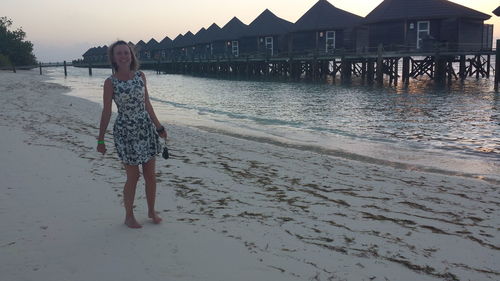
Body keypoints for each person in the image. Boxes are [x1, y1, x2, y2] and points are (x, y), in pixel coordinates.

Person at [97, 40, 167, 229]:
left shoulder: (141, 76)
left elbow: (147, 104)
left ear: (131, 55)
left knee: (150, 175)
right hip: (125, 132)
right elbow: (106, 111)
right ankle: (129, 216)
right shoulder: (110, 82)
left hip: (145, 128)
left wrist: (159, 127)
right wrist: (101, 139)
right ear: (113, 58)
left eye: (126, 53)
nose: (123, 56)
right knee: (133, 176)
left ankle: (152, 211)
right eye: (119, 53)